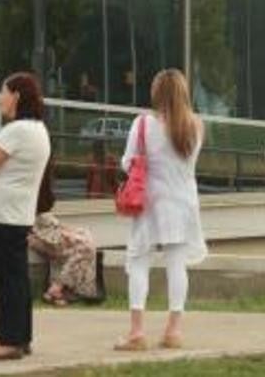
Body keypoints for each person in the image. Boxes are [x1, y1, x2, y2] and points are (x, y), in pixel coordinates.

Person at [115, 69, 208, 352]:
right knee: (176, 265)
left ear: (156, 93)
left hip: (150, 202)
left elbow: (127, 162)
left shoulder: (143, 123)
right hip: (182, 201)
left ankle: (136, 332)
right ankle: (173, 331)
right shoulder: (196, 125)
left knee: (139, 262)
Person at [0, 73, 52, 362]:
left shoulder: (16, 130)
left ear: (16, 96)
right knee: (16, 277)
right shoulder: (38, 129)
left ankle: (9, 341)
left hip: (2, 214)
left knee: (7, 278)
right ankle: (21, 337)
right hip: (16, 213)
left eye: (2, 92)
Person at [29, 162, 101, 306]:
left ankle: (59, 289)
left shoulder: (39, 186)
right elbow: (40, 221)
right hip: (38, 234)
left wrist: (66, 230)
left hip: (47, 229)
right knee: (85, 247)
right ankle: (61, 289)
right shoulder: (32, 187)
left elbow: (48, 219)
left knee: (84, 236)